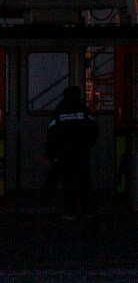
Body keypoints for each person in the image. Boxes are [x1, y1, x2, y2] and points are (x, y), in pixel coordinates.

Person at [43, 90, 100, 219]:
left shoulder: (60, 109)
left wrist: (52, 152)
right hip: (81, 152)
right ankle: (88, 210)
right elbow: (93, 129)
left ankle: (70, 211)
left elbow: (52, 132)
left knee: (67, 182)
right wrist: (87, 144)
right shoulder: (83, 109)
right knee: (84, 181)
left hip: (65, 152)